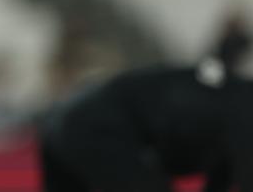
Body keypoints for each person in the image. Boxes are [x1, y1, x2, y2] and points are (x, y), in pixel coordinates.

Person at [38, 60, 253, 192]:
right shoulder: (244, 107)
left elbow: (225, 172)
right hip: (94, 127)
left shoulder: (230, 91)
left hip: (61, 123)